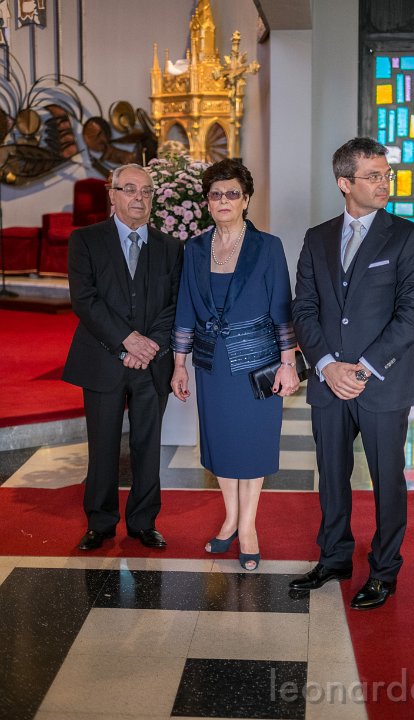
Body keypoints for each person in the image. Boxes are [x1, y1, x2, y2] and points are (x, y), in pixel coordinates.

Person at [290, 137, 414, 609]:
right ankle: (334, 558)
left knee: (388, 480)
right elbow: (303, 308)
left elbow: (411, 317)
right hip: (329, 382)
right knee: (331, 477)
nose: (384, 183)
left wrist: (364, 368)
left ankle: (385, 570)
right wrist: (327, 366)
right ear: (344, 183)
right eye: (373, 176)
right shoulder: (317, 238)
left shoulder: (407, 236)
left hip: (381, 384)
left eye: (385, 175)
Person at [171, 158, 299, 571]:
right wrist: (179, 365)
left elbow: (282, 309)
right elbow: (185, 309)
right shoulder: (194, 249)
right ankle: (229, 519)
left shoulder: (268, 247)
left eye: (232, 193)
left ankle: (248, 527)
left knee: (252, 445)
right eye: (216, 194)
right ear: (207, 201)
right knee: (222, 444)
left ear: (245, 200)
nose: (223, 200)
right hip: (212, 366)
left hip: (257, 364)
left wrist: (288, 364)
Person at [63, 163, 183, 551]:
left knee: (148, 445)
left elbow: (174, 304)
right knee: (103, 446)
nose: (138, 198)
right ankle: (100, 523)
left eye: (146, 191)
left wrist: (150, 346)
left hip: (152, 363)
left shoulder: (170, 247)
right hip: (103, 359)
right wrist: (127, 341)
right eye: (129, 189)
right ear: (112, 195)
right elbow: (85, 300)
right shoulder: (85, 240)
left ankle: (143, 522)